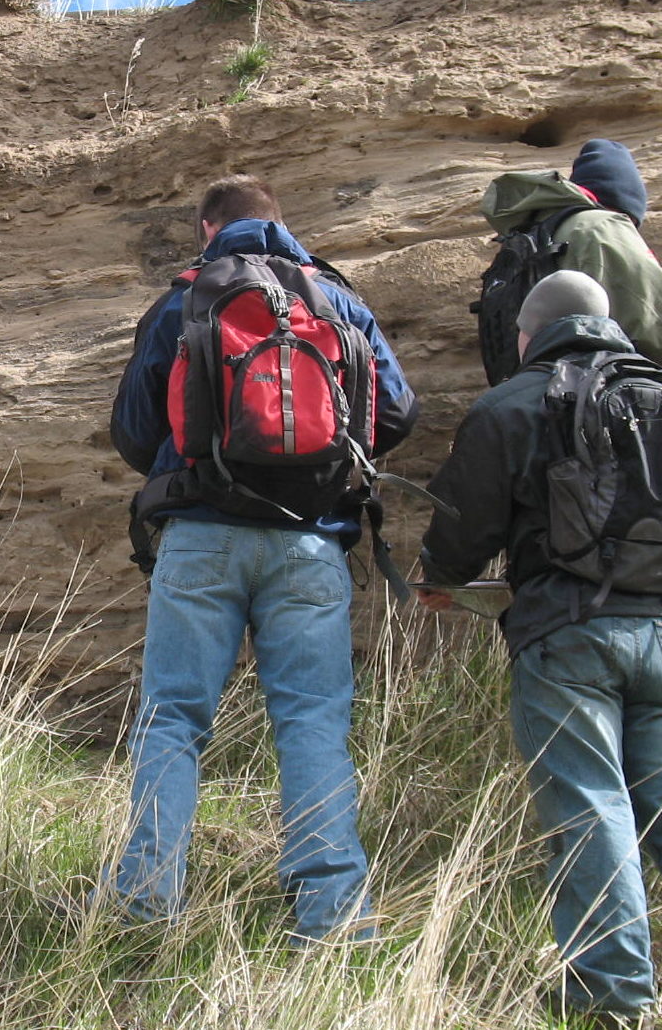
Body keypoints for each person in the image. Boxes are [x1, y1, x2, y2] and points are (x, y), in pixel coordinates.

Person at [416, 272, 662, 1027]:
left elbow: (462, 523)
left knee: (588, 803)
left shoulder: (512, 402)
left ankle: (611, 993)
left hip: (567, 635)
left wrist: (443, 577)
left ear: (526, 334)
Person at [98, 174, 419, 945]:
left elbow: (135, 430)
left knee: (173, 719)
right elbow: (399, 411)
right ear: (282, 223)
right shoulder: (335, 299)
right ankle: (332, 915)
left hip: (202, 535)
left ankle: (147, 906)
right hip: (311, 538)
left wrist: (199, 462)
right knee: (312, 720)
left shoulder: (187, 297)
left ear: (209, 229)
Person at [480, 138, 662, 383]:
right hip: (594, 394)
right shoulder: (602, 227)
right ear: (625, 210)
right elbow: (653, 314)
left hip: (528, 389)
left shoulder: (536, 233)